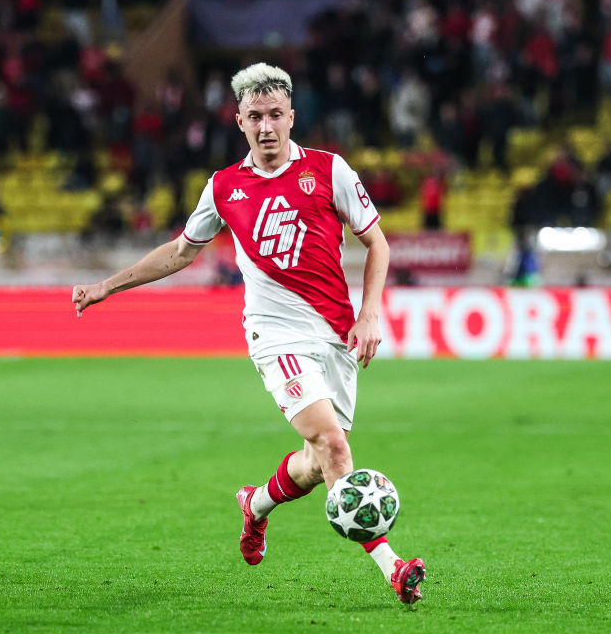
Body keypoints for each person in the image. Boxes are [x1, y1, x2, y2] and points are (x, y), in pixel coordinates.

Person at [71, 63, 426, 604]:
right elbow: (180, 251)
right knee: (334, 445)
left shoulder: (329, 170)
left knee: (317, 462)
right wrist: (107, 286)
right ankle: (393, 567)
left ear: (291, 117)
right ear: (239, 121)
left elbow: (377, 243)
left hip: (335, 335)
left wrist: (370, 314)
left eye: (275, 115)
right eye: (255, 116)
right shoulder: (224, 187)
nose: (266, 127)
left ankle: (255, 504)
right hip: (275, 336)